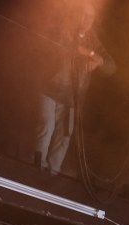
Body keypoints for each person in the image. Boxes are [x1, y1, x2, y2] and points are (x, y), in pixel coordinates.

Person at [33, 2, 116, 175]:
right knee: (46, 126)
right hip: (49, 89)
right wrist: (89, 54)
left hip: (72, 98)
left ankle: (52, 173)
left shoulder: (93, 40)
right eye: (84, 15)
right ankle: (35, 168)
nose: (86, 20)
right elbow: (65, 46)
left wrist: (96, 60)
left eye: (91, 17)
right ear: (76, 15)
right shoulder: (64, 29)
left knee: (65, 136)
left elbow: (111, 66)